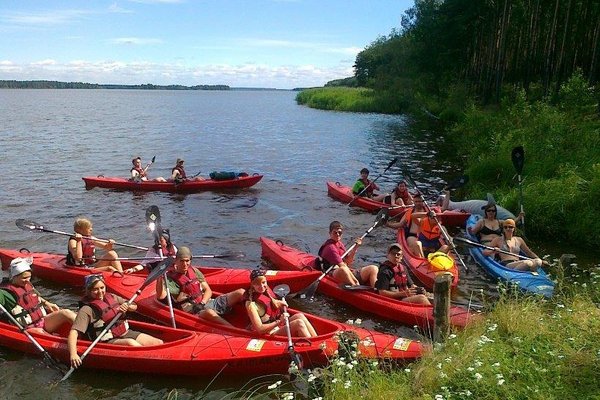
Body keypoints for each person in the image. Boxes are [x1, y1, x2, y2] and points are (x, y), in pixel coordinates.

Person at [68, 274, 163, 369]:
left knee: (158, 342)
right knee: (131, 343)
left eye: (102, 287)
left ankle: (157, 360)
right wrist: (73, 354)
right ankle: (156, 364)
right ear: (88, 291)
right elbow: (74, 332)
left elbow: (135, 306)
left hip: (125, 332)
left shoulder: (112, 297)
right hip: (105, 341)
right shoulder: (86, 310)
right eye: (95, 289)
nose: (100, 292)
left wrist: (128, 306)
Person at [155, 246, 244, 326]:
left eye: (187, 261)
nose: (185, 264)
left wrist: (202, 303)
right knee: (209, 312)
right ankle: (233, 329)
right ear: (176, 261)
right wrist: (159, 277)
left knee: (241, 292)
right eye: (181, 261)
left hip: (207, 303)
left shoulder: (194, 271)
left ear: (190, 260)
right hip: (194, 312)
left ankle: (256, 319)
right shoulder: (170, 279)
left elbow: (208, 290)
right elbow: (160, 296)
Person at [0, 257, 76, 334]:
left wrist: (47, 303)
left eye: (29, 277)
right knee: (41, 332)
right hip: (27, 328)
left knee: (66, 313)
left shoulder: (26, 284)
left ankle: (86, 331)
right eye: (24, 278)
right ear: (14, 276)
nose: (28, 280)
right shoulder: (4, 293)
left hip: (41, 320)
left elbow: (34, 296)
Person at [245, 268, 317, 337]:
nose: (261, 286)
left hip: (277, 326)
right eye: (257, 284)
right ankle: (315, 346)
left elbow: (272, 304)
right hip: (269, 333)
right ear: (252, 285)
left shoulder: (265, 293)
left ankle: (316, 340)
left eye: (263, 282)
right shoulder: (250, 304)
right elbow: (260, 329)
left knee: (300, 315)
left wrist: (281, 303)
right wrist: (279, 321)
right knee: (299, 323)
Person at [317, 221, 379, 287]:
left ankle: (375, 289)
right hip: (333, 273)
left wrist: (355, 248)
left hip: (346, 271)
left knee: (373, 268)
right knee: (343, 269)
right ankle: (355, 286)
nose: (338, 234)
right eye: (335, 232)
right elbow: (342, 266)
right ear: (330, 233)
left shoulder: (339, 244)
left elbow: (348, 262)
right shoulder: (330, 247)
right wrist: (356, 281)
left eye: (340, 233)